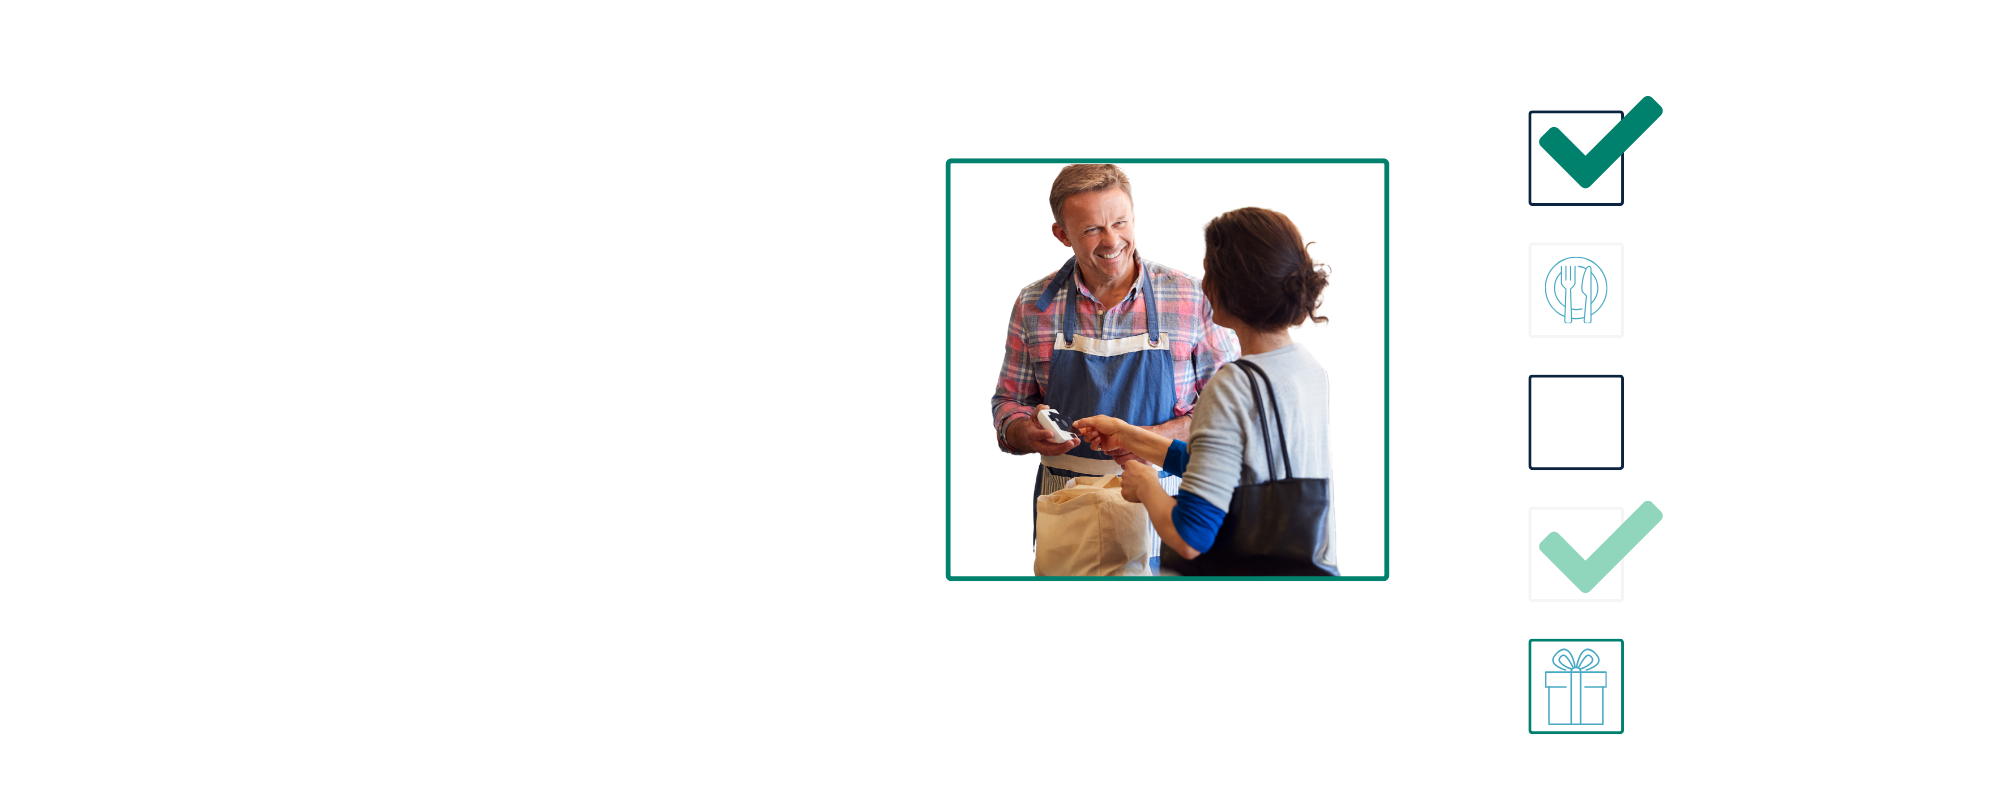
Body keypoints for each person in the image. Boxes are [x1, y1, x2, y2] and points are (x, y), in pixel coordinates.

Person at [991, 164, 1242, 575]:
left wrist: (1147, 440)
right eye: (1091, 230)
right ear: (1062, 235)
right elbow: (1010, 402)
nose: (1112, 241)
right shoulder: (1032, 304)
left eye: (1121, 222)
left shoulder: (1191, 295)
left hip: (1169, 504)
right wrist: (1024, 431)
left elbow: (1228, 416)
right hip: (1069, 509)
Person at [1072, 206, 1339, 575]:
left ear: (1227, 287)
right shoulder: (1307, 367)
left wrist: (1147, 485)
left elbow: (1189, 538)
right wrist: (1129, 435)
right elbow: (1235, 470)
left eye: (1207, 269)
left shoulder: (1233, 384)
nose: (1203, 281)